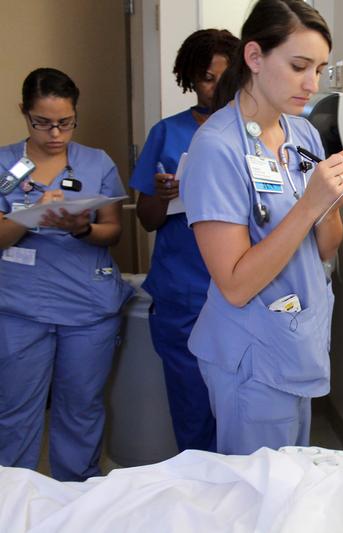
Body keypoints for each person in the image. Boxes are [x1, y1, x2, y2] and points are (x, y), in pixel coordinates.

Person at [180, 0, 343, 455]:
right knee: (255, 498)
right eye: (299, 66)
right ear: (254, 58)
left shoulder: (304, 135)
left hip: (296, 340)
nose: (312, 84)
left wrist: (331, 207)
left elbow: (325, 249)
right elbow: (235, 285)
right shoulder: (216, 147)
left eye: (319, 68)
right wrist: (307, 205)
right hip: (250, 354)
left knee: (287, 484)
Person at [0, 68, 132, 481]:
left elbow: (113, 229)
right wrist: (29, 215)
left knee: (81, 407)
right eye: (43, 122)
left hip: (87, 307)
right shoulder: (4, 163)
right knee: (16, 409)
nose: (55, 133)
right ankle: (13, 501)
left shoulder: (97, 162)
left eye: (65, 122)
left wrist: (81, 227)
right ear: (24, 113)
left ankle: (76, 497)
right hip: (20, 309)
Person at [129, 29, 239, 453]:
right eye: (206, 78)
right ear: (191, 79)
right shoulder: (167, 133)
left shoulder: (256, 134)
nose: (215, 88)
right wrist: (162, 194)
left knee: (241, 411)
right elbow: (147, 220)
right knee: (193, 408)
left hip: (241, 291)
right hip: (184, 292)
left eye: (224, 77)